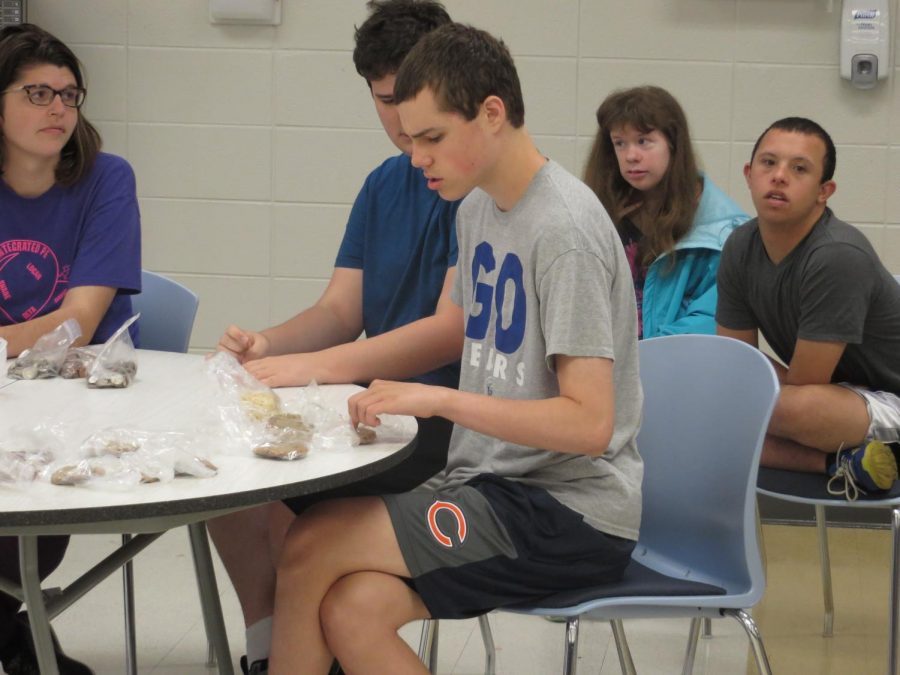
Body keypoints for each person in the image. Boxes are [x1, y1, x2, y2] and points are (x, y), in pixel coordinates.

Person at [268, 23, 643, 674]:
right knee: (353, 607)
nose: (417, 157)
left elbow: (590, 423)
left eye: (432, 138)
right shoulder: (475, 212)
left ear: (491, 114)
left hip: (568, 510)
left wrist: (440, 396)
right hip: (497, 485)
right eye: (411, 139)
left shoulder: (566, 232)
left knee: (312, 542)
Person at [206, 3, 462, 673]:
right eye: (384, 100)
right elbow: (340, 309)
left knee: (299, 513)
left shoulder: (474, 188)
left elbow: (446, 333)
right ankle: (274, 649)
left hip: (444, 424)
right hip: (373, 406)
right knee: (227, 482)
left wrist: (314, 367)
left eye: (411, 99)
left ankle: (303, 649)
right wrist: (269, 347)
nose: (400, 119)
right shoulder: (383, 184)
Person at [0, 22, 141, 675]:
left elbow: (78, 322)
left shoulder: (106, 179)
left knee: (25, 535)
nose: (59, 108)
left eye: (70, 95)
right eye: (37, 93)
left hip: (74, 401)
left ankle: (13, 632)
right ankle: (18, 638)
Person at [717, 116, 900, 500]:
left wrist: (743, 396)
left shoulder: (837, 255)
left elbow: (806, 387)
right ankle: (842, 463)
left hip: (885, 396)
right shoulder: (739, 245)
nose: (779, 176)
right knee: (718, 395)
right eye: (769, 163)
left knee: (785, 410)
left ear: (824, 191)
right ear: (749, 175)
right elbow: (736, 362)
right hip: (837, 394)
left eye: (799, 169)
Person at [585, 85, 747, 338]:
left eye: (643, 141)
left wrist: (639, 360)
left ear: (673, 144)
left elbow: (711, 321)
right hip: (606, 366)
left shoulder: (724, 233)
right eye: (620, 143)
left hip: (675, 369)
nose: (630, 156)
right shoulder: (599, 214)